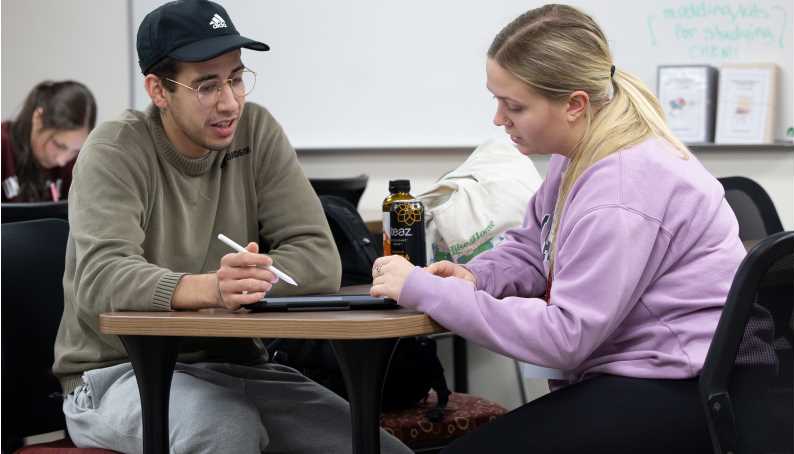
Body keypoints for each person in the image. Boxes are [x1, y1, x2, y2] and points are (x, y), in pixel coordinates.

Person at [370, 4, 745, 453]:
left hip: (679, 391)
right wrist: (476, 276)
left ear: (574, 104)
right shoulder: (581, 153)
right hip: (642, 379)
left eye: (514, 106)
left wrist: (426, 291)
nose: (498, 119)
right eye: (496, 100)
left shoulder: (620, 190)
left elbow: (563, 336)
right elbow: (533, 248)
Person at [53, 1, 411, 453]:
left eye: (236, 78)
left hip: (238, 367)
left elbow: (318, 259)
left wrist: (245, 284)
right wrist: (211, 289)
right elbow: (102, 279)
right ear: (159, 91)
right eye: (206, 86)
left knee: (379, 449)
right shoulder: (115, 149)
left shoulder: (256, 131)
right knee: (223, 429)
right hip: (116, 373)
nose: (230, 102)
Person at [1, 80, 96, 202]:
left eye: (75, 151)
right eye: (58, 145)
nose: (62, 161)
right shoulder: (3, 146)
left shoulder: (73, 164)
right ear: (38, 118)